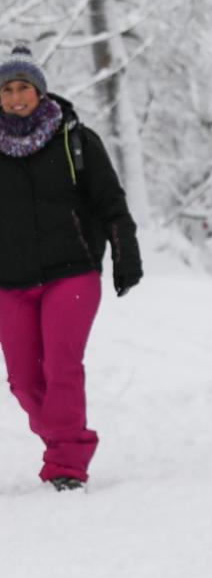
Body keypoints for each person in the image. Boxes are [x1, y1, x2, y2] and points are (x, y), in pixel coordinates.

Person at [0, 45, 141, 491]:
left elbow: (110, 202)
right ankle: (64, 438)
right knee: (24, 380)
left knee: (61, 365)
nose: (17, 96)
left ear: (40, 92)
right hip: (9, 280)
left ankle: (66, 463)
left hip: (72, 271)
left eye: (24, 87)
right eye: (8, 89)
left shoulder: (74, 138)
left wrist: (125, 253)